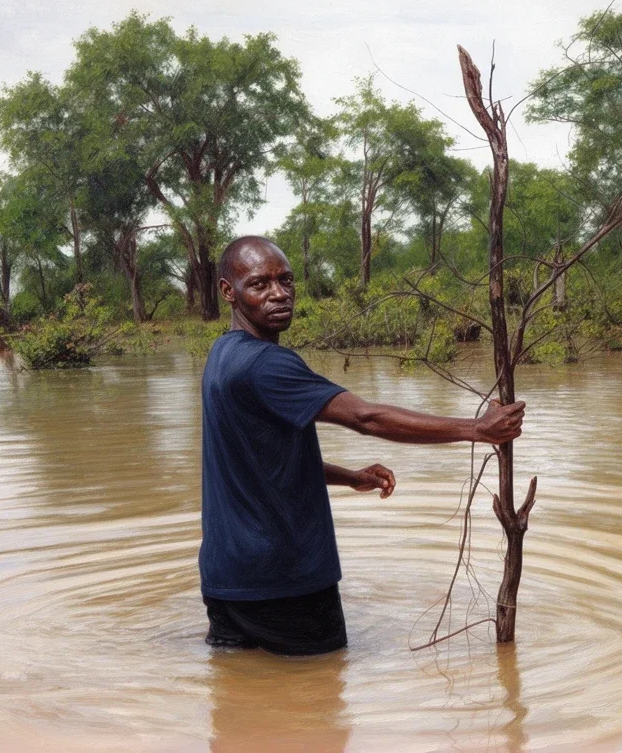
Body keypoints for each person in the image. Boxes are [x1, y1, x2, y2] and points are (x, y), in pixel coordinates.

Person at [200, 236, 525, 656]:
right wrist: (477, 429)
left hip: (225, 580)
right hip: (284, 579)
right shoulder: (268, 364)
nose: (279, 294)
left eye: (287, 281)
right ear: (229, 292)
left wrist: (350, 478)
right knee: (320, 705)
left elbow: (258, 463)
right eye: (260, 284)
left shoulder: (221, 356)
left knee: (242, 703)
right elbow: (365, 417)